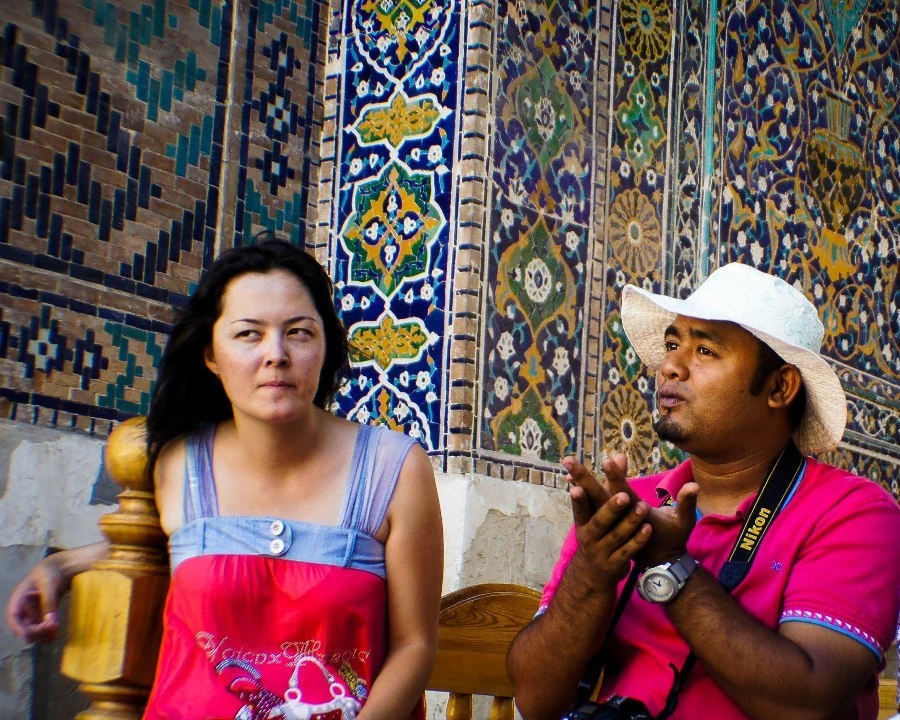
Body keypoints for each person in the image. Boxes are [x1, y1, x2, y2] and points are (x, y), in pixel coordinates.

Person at [5, 238, 443, 720]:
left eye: (299, 332)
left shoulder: (392, 468)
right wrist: (62, 566)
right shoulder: (178, 463)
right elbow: (171, 544)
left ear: (326, 347)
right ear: (210, 354)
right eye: (249, 334)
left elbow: (414, 646)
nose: (276, 354)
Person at [507, 262, 900, 720]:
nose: (670, 367)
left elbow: (806, 705)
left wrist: (671, 567)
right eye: (673, 345)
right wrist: (591, 572)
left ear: (779, 387)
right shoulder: (628, 505)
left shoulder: (855, 513)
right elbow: (534, 701)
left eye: (705, 351)